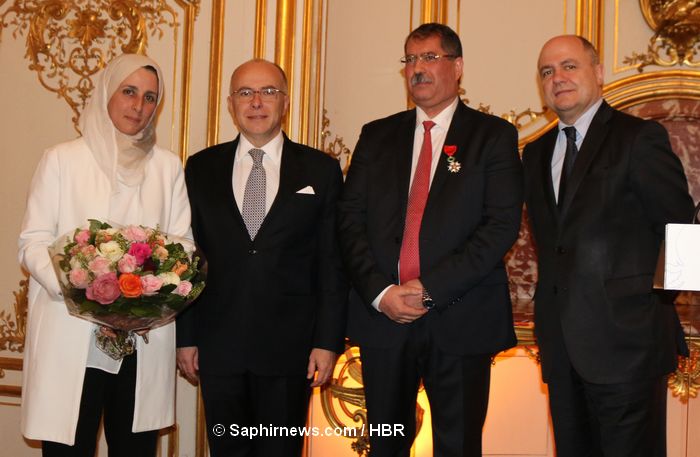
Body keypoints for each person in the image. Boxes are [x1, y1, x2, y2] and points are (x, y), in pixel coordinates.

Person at [337, 23, 523, 456]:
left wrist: (428, 290)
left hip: (461, 320)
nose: (417, 69)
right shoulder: (376, 135)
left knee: (457, 446)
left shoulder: (492, 137)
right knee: (384, 447)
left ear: (457, 67)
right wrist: (382, 293)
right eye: (410, 60)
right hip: (385, 320)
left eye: (429, 58)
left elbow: (500, 226)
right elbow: (348, 222)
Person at [522, 35, 693, 457]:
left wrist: (650, 304)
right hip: (562, 353)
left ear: (598, 73)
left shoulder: (638, 138)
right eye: (547, 71)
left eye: (569, 66)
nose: (558, 78)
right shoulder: (536, 152)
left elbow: (685, 229)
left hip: (629, 350)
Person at [18, 54, 191, 456]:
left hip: (141, 340)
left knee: (134, 448)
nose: (139, 106)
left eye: (150, 97)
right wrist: (84, 289)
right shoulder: (61, 159)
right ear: (106, 94)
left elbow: (181, 250)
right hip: (72, 335)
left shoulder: (167, 168)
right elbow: (33, 241)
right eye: (129, 92)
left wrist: (148, 297)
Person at [176, 59, 347, 457]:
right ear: (230, 103)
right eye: (245, 93)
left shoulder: (321, 170)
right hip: (219, 350)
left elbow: (332, 263)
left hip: (291, 351)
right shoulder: (200, 168)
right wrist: (186, 338)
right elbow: (185, 257)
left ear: (285, 102)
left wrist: (327, 341)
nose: (257, 102)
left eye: (268, 91)